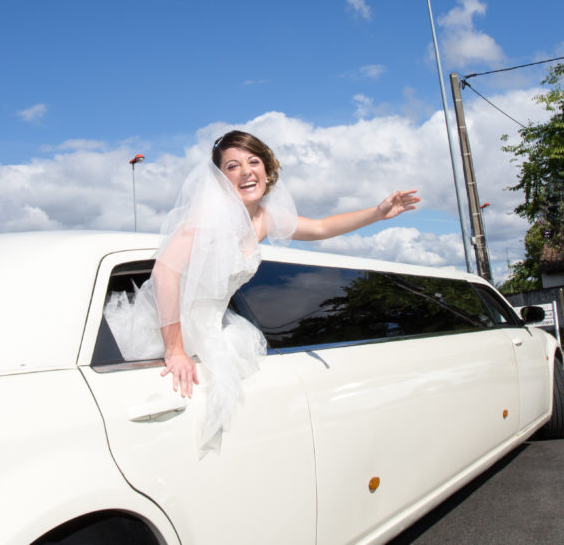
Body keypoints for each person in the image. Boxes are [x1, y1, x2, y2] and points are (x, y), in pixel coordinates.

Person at [105, 130, 419, 455]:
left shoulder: (264, 219)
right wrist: (175, 349)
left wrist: (378, 213)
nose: (246, 171)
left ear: (267, 170)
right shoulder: (207, 217)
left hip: (216, 329)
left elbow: (322, 227)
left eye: (253, 161)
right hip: (173, 331)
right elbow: (165, 270)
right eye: (232, 166)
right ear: (219, 178)